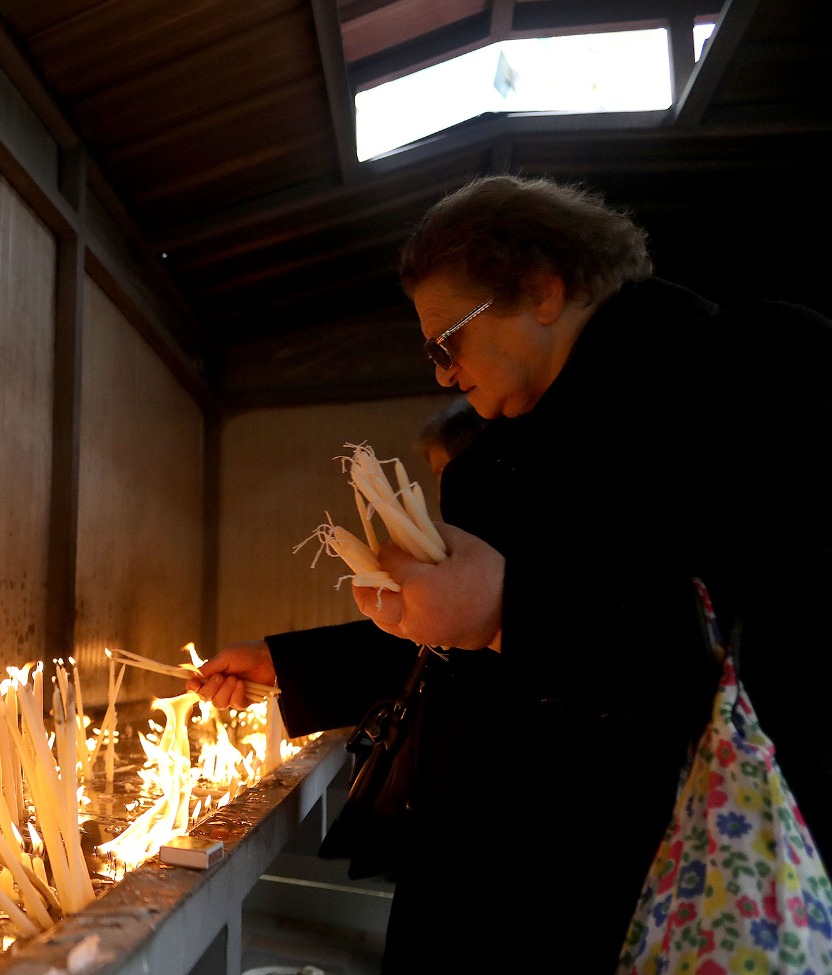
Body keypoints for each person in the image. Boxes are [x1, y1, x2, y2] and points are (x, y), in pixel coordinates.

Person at [190, 174, 832, 974]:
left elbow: (790, 635)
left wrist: (511, 610)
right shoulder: (492, 458)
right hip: (475, 884)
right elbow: (459, 644)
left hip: (634, 887)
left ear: (542, 290)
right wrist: (287, 663)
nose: (441, 374)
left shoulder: (748, 371)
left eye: (446, 342)